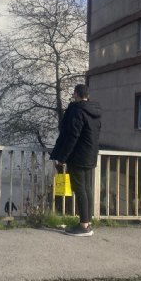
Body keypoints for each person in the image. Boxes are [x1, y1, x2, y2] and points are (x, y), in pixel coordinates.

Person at [50, 84, 102, 237]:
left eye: (74, 93)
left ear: (76, 94)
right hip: (90, 154)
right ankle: (88, 222)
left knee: (80, 189)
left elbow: (73, 136)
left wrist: (62, 157)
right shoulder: (95, 111)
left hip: (78, 156)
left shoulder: (77, 111)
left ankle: (83, 226)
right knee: (86, 188)